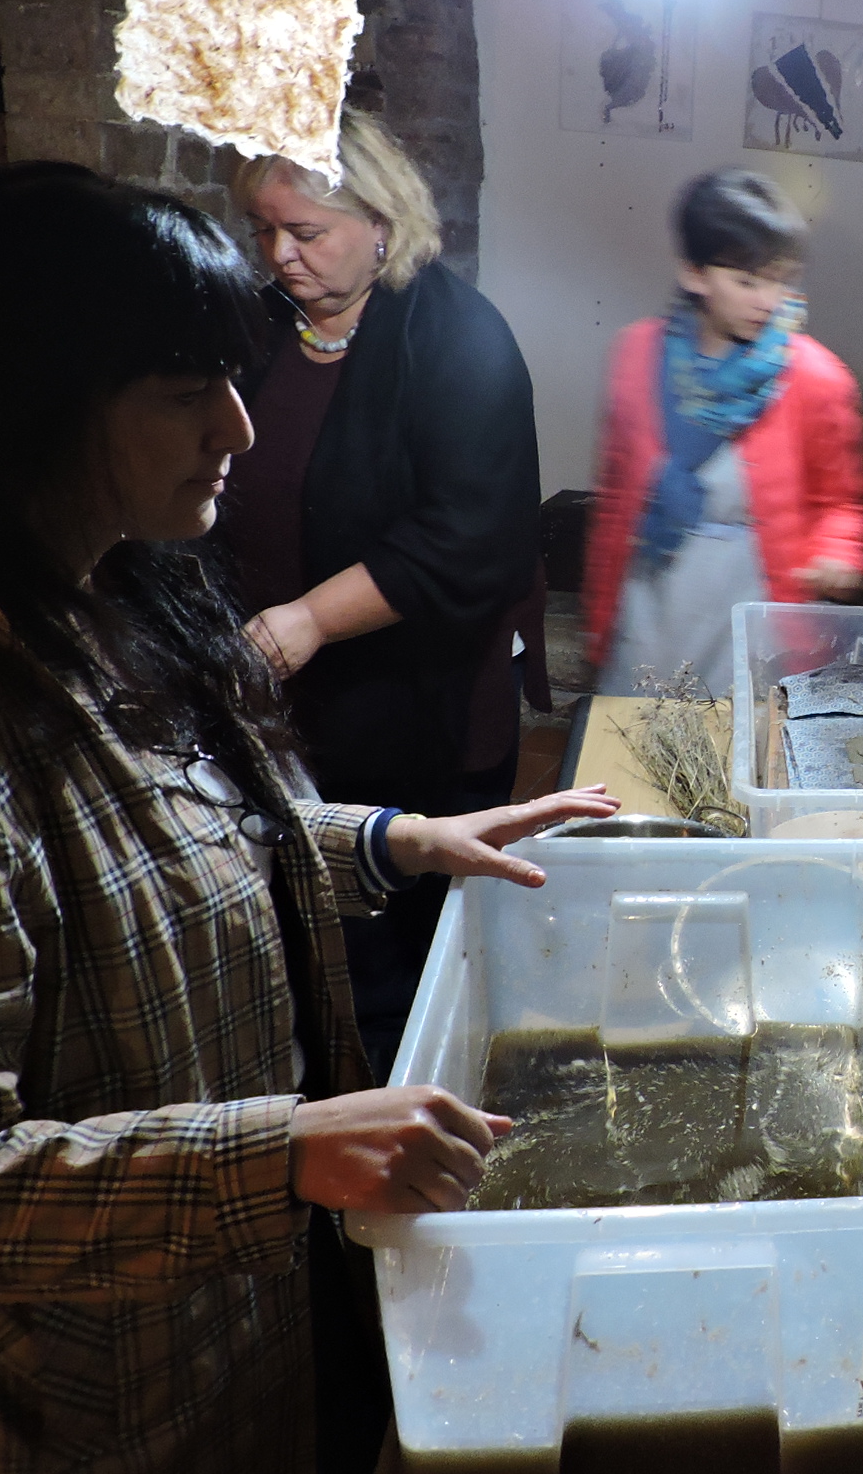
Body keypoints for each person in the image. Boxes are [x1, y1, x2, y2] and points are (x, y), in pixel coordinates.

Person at [0, 163, 618, 1472]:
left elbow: (167, 845)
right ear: (31, 406)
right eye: (183, 391)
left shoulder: (105, 596)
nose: (241, 428)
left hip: (223, 1335)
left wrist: (393, 840)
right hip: (74, 1408)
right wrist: (281, 1154)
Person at [225, 112, 542, 1078]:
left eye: (305, 232)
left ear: (382, 226)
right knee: (297, 925)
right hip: (281, 700)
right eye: (264, 231)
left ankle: (399, 1109)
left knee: (394, 953)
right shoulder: (258, 327)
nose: (280, 255)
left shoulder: (458, 341)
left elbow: (466, 540)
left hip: (414, 710)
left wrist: (310, 618)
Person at [582, 167, 863, 694]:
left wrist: (838, 551)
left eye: (781, 279)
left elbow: (841, 501)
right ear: (694, 273)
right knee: (633, 730)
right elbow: (615, 499)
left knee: (734, 732)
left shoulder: (814, 378)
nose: (769, 300)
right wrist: (598, 618)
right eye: (747, 281)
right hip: (650, 601)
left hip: (750, 608)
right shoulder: (636, 357)